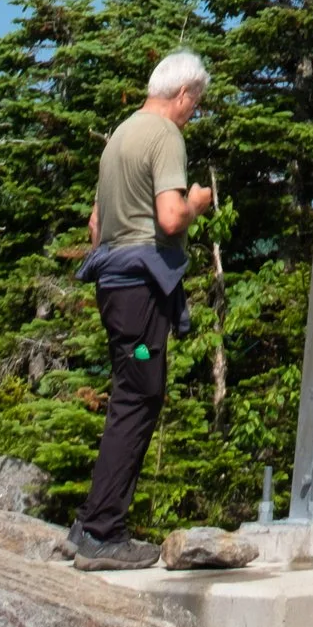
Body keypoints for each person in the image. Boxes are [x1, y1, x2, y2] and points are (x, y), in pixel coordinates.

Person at [63, 49, 216, 568]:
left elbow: (94, 224)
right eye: (196, 104)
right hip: (141, 291)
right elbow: (171, 219)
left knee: (132, 392)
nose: (193, 112)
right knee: (140, 395)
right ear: (184, 95)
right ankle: (102, 531)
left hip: (112, 284)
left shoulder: (120, 135)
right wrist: (197, 200)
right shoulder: (165, 136)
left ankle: (93, 524)